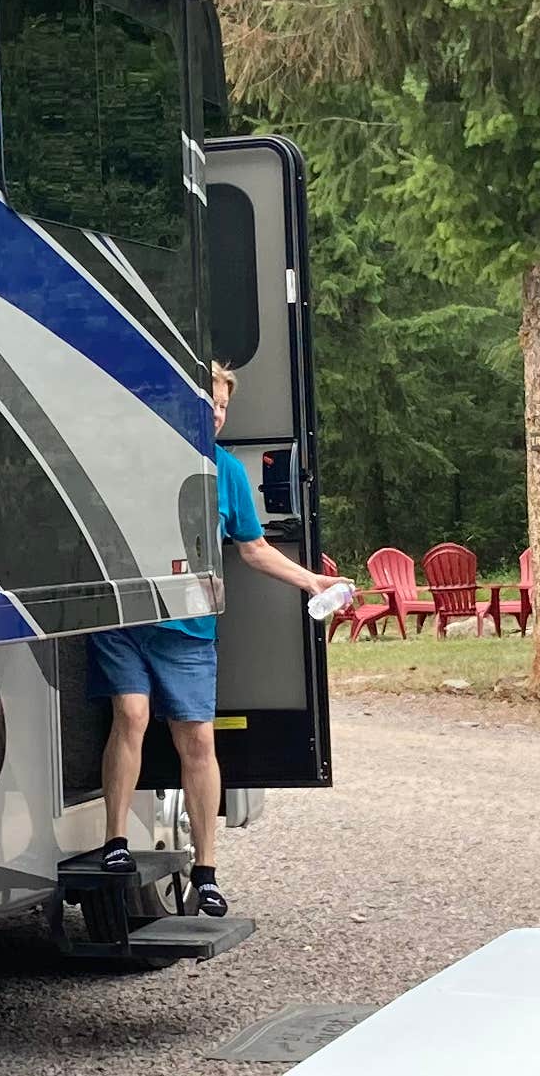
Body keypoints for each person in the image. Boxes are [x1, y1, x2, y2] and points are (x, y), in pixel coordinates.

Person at [88, 361, 349, 917]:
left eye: (224, 406)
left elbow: (253, 548)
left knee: (198, 741)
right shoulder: (135, 451)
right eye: (209, 401)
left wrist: (311, 581)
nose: (217, 413)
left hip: (189, 627)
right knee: (130, 714)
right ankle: (115, 842)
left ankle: (205, 870)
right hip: (126, 616)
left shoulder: (227, 471)